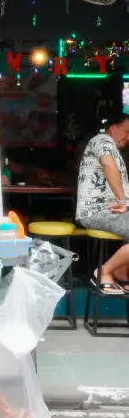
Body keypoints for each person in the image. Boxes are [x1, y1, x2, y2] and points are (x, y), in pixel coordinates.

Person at [76, 112, 129, 294]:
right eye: (126, 132)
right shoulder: (102, 140)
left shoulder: (113, 147)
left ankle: (121, 273)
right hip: (97, 210)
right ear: (113, 128)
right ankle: (104, 271)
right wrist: (121, 200)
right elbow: (108, 165)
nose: (128, 138)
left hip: (113, 211)